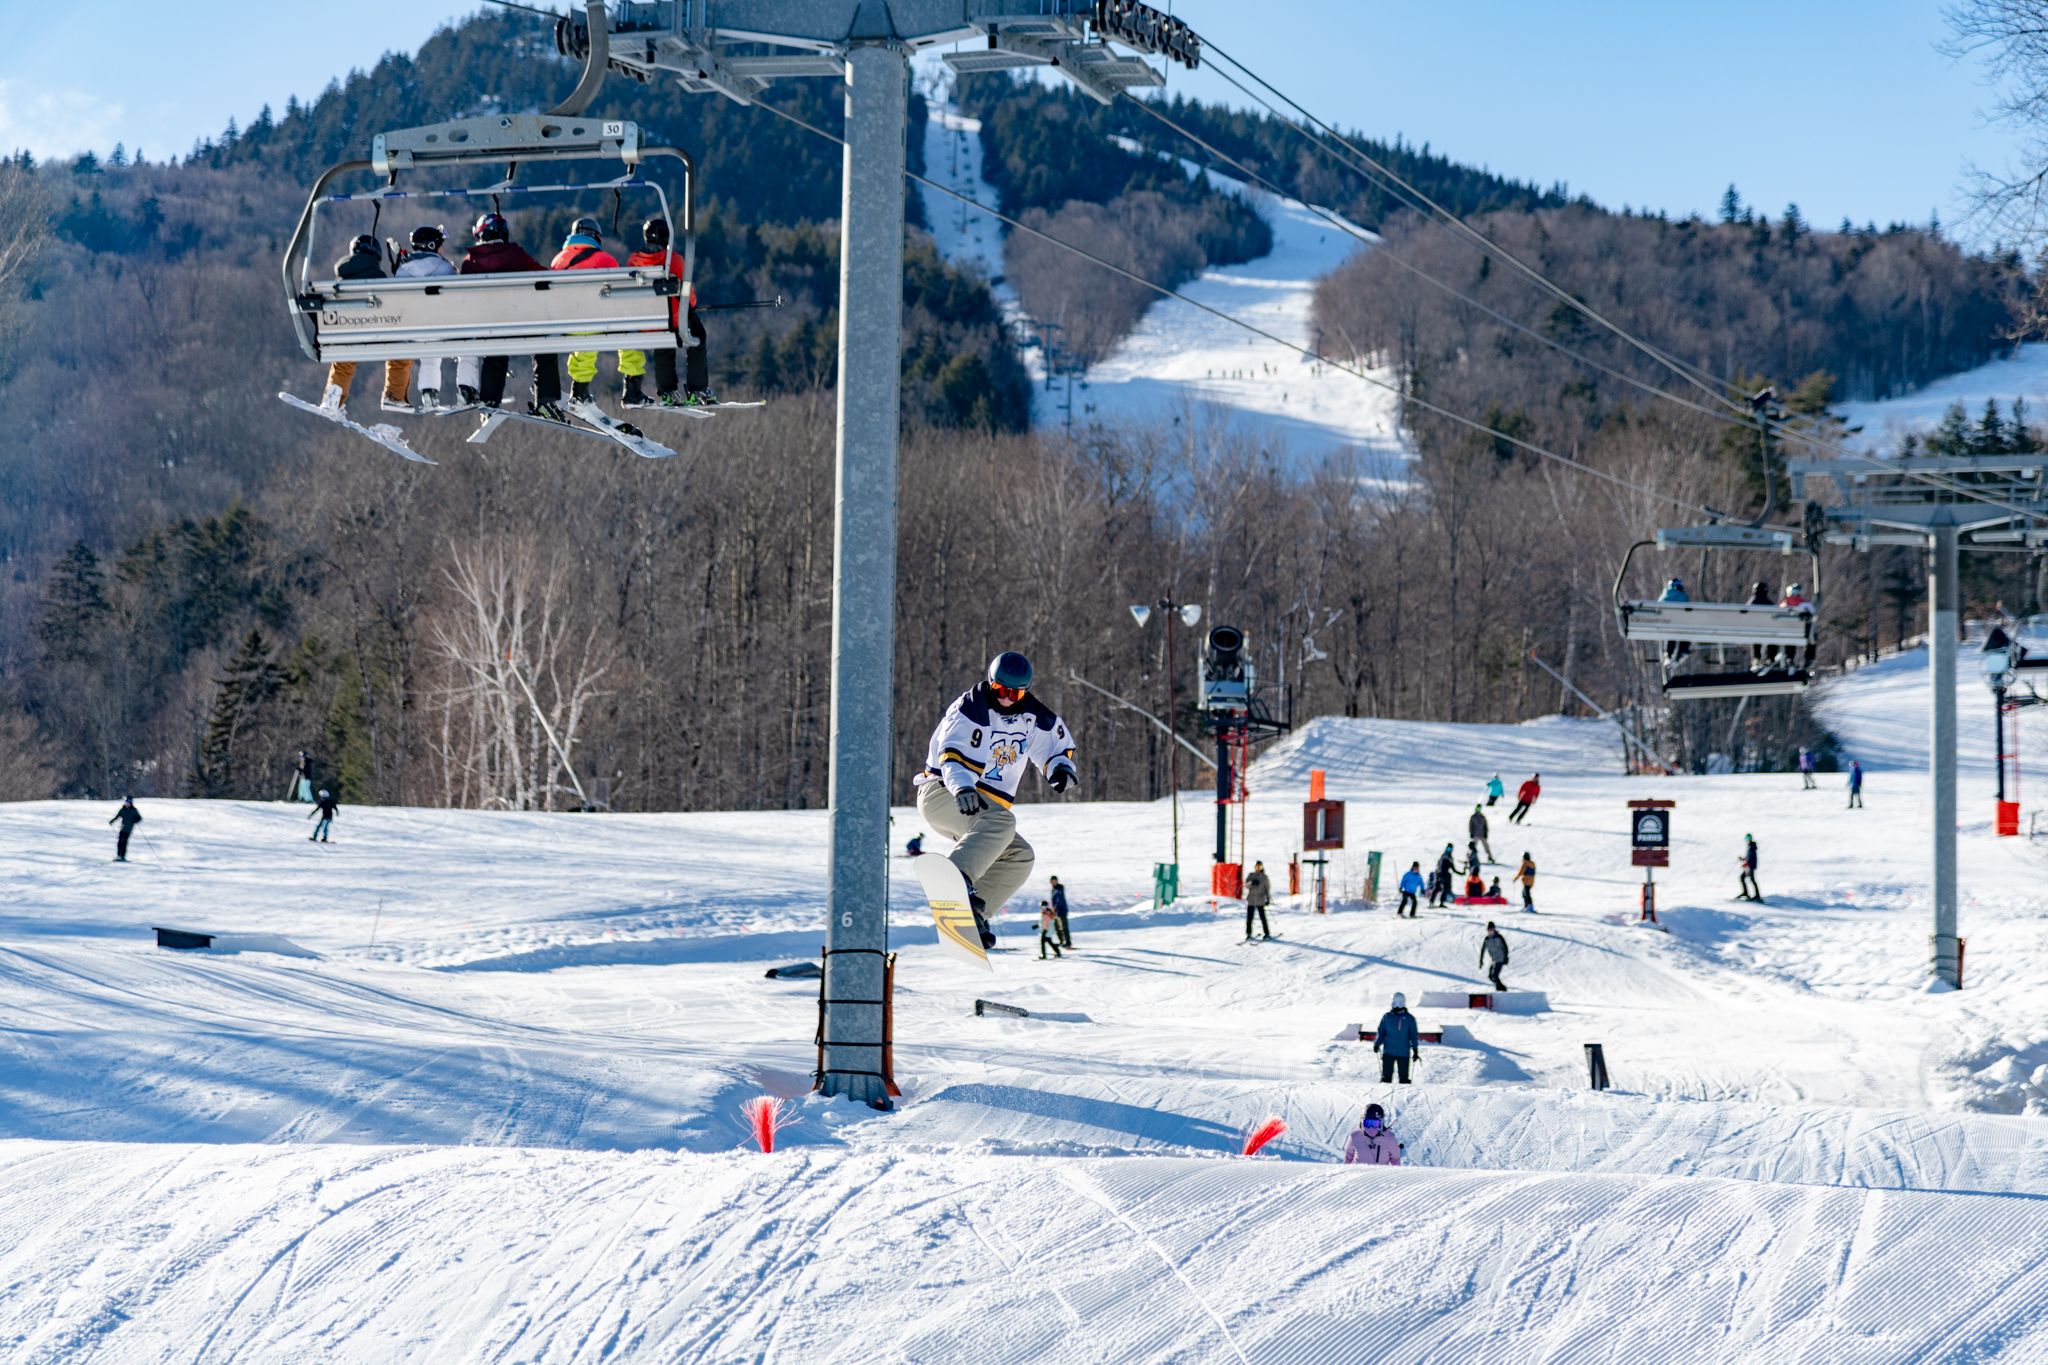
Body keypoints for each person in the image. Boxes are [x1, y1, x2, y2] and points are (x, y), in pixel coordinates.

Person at [914, 651, 1079, 947]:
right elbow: (951, 757)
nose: (1006, 698)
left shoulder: (1033, 716)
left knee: (1020, 855)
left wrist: (1060, 768)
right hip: (942, 792)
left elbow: (1055, 744)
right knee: (1002, 820)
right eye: (1000, 690)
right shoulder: (970, 709)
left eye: (1014, 693)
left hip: (982, 808)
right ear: (991, 683)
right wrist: (962, 787)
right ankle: (954, 878)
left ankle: (972, 917)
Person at [457, 212, 563, 419]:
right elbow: (543, 275)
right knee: (545, 350)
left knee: (494, 355)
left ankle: (489, 400)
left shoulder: (470, 262)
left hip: (489, 326)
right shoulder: (516, 255)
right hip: (522, 322)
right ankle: (546, 401)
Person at [623, 216, 717, 407]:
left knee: (662, 344)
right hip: (672, 321)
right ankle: (697, 389)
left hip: (645, 322)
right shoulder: (674, 260)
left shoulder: (634, 261)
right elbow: (687, 295)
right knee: (698, 337)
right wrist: (692, 304)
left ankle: (667, 392)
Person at [551, 217, 641, 409]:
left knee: (584, 334)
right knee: (629, 331)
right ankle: (632, 387)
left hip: (563, 324)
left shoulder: (558, 260)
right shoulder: (604, 259)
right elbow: (619, 294)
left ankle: (579, 389)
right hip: (594, 323)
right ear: (596, 237)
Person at [319, 235, 414, 416]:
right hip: (379, 334)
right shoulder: (380, 279)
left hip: (346, 335)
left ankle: (332, 400)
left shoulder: (340, 281)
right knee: (401, 354)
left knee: (342, 361)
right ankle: (394, 396)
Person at [395, 224, 456, 408]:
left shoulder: (403, 270)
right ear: (432, 246)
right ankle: (463, 390)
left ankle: (428, 391)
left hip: (412, 330)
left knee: (429, 352)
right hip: (441, 327)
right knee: (434, 350)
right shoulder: (445, 268)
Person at [1372, 993, 1420, 1085]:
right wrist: (1377, 1043)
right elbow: (1381, 1032)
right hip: (1389, 1053)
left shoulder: (1409, 1019)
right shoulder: (1387, 1017)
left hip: (1403, 1053)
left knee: (1403, 1081)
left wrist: (1415, 1050)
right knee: (1386, 1079)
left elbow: (1413, 1035)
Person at [1658, 576, 1691, 662]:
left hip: (1664, 624)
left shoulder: (1663, 596)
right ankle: (1683, 650)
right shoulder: (1682, 596)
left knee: (1670, 631)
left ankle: (1668, 653)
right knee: (1685, 628)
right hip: (1680, 624)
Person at [1242, 860, 1273, 942]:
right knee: (1249, 918)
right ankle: (1248, 934)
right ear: (1255, 867)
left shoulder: (1264, 877)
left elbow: (1267, 889)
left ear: (1262, 867)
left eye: (1260, 866)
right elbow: (1246, 885)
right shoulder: (1251, 875)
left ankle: (1267, 933)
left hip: (1260, 900)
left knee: (1263, 918)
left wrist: (1268, 900)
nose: (1258, 868)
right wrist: (1252, 883)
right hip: (1251, 900)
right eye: (1257, 866)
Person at [109, 796, 142, 862]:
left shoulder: (134, 810)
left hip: (129, 829)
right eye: (126, 802)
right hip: (122, 828)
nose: (127, 803)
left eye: (128, 802)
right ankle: (119, 855)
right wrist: (112, 821)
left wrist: (135, 820)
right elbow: (117, 816)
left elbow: (139, 818)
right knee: (119, 842)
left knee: (124, 842)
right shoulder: (122, 809)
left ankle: (123, 856)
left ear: (131, 803)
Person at [1479, 921, 1510, 990]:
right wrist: (1481, 961)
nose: (1490, 931)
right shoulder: (1487, 939)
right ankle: (1501, 988)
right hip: (1494, 960)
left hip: (1500, 959)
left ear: (1494, 929)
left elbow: (1505, 947)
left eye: (1491, 929)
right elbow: (1483, 950)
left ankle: (1501, 989)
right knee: (1490, 976)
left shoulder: (1499, 937)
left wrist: (1506, 957)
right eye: (1488, 930)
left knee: (1495, 975)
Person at [1429, 844, 1456, 908]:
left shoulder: (1450, 858)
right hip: (1440, 874)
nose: (1449, 850)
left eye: (1450, 849)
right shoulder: (1444, 856)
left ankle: (1441, 902)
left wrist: (1461, 873)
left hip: (1444, 874)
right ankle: (1432, 902)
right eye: (1448, 848)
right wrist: (1440, 874)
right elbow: (1439, 865)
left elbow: (1453, 868)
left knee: (1444, 888)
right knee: (1438, 888)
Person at [1049, 875, 1073, 948]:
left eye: (1054, 881)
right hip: (1056, 912)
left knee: (1064, 927)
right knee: (1057, 927)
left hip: (1062, 911)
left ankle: (1068, 942)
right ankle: (1062, 941)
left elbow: (1059, 900)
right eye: (1051, 881)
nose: (1052, 882)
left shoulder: (1059, 889)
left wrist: (1055, 907)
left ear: (1056, 881)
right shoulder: (1053, 889)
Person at [1737, 833, 1760, 901]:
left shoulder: (1752, 847)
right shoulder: (1750, 846)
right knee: (1743, 878)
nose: (1747, 839)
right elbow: (1748, 857)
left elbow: (1752, 858)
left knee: (1750, 879)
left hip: (1751, 866)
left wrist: (1747, 863)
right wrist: (1743, 859)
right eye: (1746, 838)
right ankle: (1746, 893)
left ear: (1751, 838)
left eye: (1748, 838)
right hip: (1749, 866)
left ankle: (1756, 895)